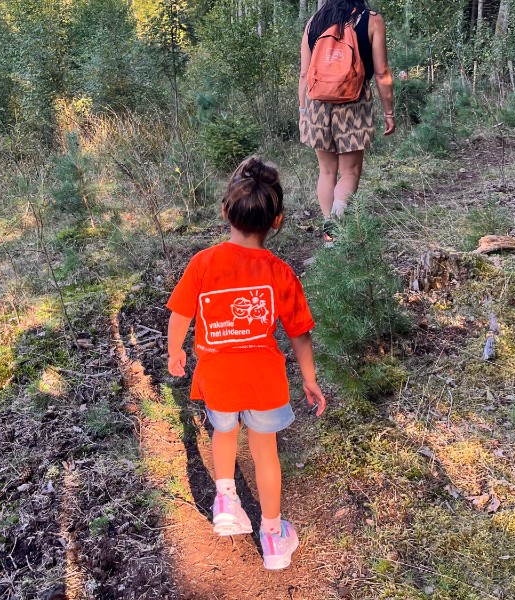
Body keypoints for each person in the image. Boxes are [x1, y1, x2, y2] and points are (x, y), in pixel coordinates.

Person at [166, 156, 327, 570]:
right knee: (264, 452)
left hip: (217, 374)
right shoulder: (280, 273)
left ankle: (226, 500)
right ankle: (272, 537)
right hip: (263, 381)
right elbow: (299, 333)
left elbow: (181, 312)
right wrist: (309, 379)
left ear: (225, 212)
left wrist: (175, 349)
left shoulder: (203, 263)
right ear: (277, 220)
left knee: (222, 431)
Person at [298, 0, 396, 247]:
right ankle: (338, 223)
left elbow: (304, 73)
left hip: (316, 103)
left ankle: (330, 233)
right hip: (354, 102)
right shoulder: (372, 20)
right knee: (350, 171)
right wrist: (389, 112)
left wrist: (302, 110)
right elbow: (382, 72)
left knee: (327, 171)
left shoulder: (315, 22)